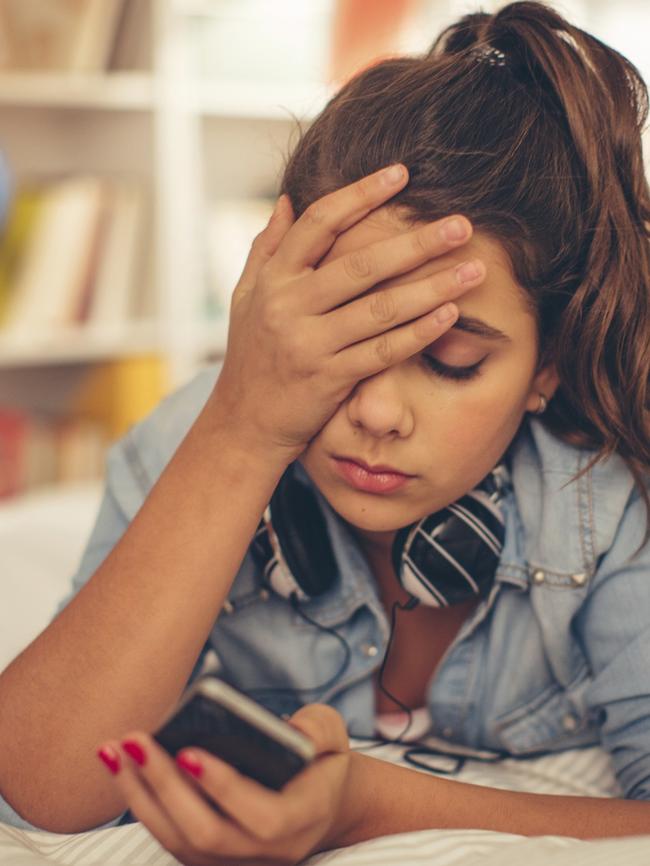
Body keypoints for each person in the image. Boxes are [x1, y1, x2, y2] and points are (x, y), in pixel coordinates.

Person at [1, 0, 650, 859]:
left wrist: (368, 804)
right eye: (335, 344)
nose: (376, 412)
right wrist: (241, 433)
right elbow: (41, 785)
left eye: (453, 362)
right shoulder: (196, 437)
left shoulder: (599, 501)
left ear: (546, 369)